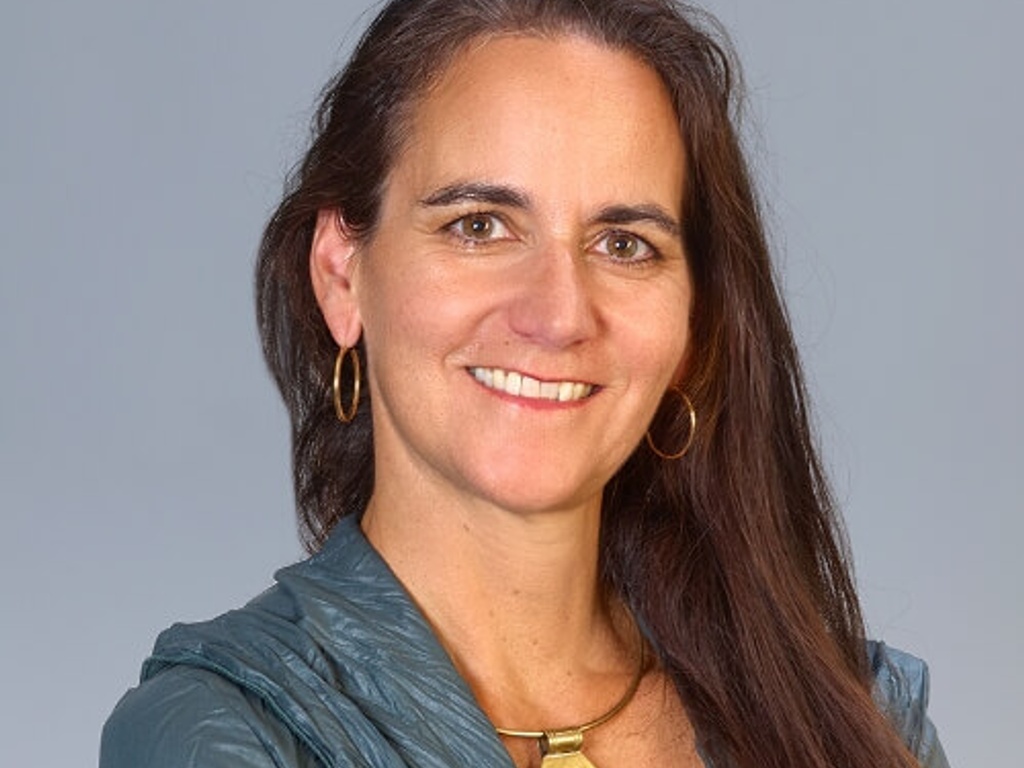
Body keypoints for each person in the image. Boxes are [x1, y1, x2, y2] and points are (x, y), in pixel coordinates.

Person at [101, 1, 949, 767]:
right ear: (341, 274)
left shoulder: (863, 722)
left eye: (625, 244)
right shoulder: (218, 732)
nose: (558, 314)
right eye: (480, 226)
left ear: (696, 329)